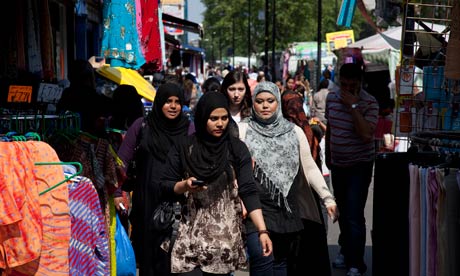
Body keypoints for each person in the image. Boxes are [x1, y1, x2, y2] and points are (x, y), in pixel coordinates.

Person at [160, 92, 272, 276]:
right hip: (189, 237)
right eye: (213, 119)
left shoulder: (236, 148)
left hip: (223, 241)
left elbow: (248, 190)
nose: (220, 124)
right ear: (203, 117)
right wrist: (185, 186)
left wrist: (262, 230)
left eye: (224, 118)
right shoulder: (184, 146)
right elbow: (165, 184)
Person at [238, 81, 338, 276]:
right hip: (255, 208)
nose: (265, 106)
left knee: (281, 265)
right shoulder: (242, 130)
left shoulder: (294, 132)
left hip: (286, 209)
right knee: (262, 261)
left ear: (278, 103)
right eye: (259, 101)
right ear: (253, 104)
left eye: (270, 101)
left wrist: (327, 198)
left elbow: (309, 168)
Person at [115, 82, 193, 276]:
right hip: (146, 203)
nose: (173, 106)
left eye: (177, 102)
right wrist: (117, 192)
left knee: (174, 260)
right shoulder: (141, 126)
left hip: (177, 203)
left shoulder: (189, 129)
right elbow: (121, 161)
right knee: (148, 259)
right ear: (159, 103)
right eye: (168, 101)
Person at [325, 63, 379, 276]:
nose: (347, 89)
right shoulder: (331, 98)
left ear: (360, 83)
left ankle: (356, 263)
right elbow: (331, 128)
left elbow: (366, 134)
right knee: (343, 212)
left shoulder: (369, 103)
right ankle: (346, 250)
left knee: (355, 214)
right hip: (338, 164)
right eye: (344, 84)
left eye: (352, 85)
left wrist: (354, 107)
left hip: (359, 166)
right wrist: (328, 156)